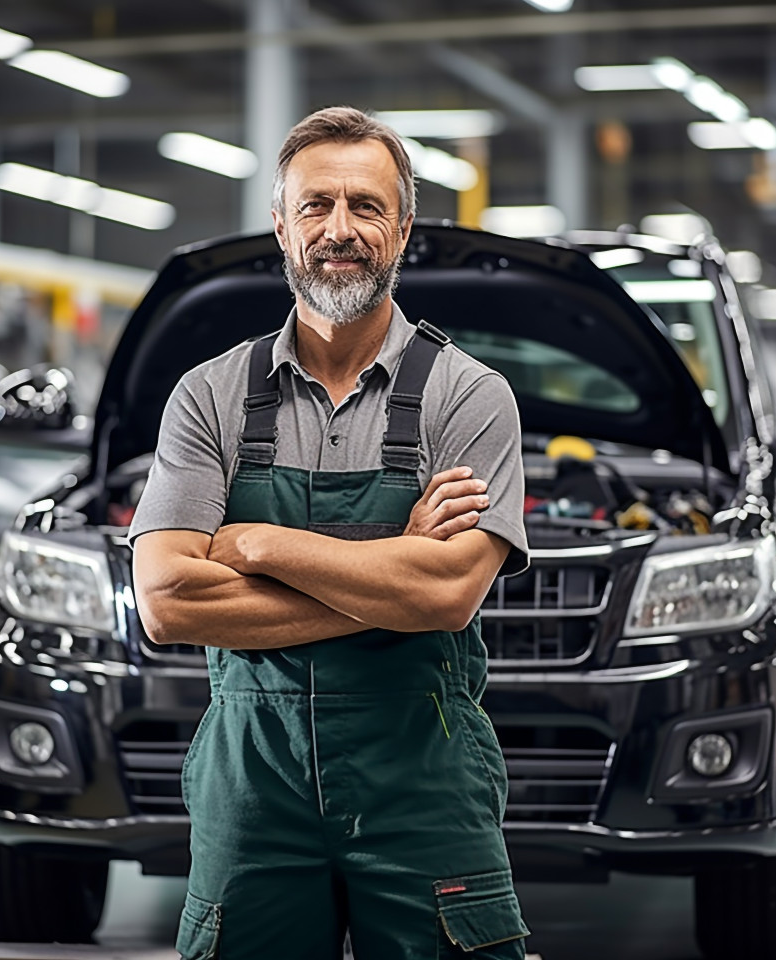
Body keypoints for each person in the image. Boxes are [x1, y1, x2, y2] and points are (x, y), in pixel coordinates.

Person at [130, 106, 531, 960]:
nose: (338, 230)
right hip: (253, 788)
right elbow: (166, 599)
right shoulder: (208, 396)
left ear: (405, 227)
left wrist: (257, 546)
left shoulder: (470, 395)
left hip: (423, 783)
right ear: (281, 224)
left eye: (365, 206)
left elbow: (449, 592)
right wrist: (393, 572)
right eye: (315, 206)